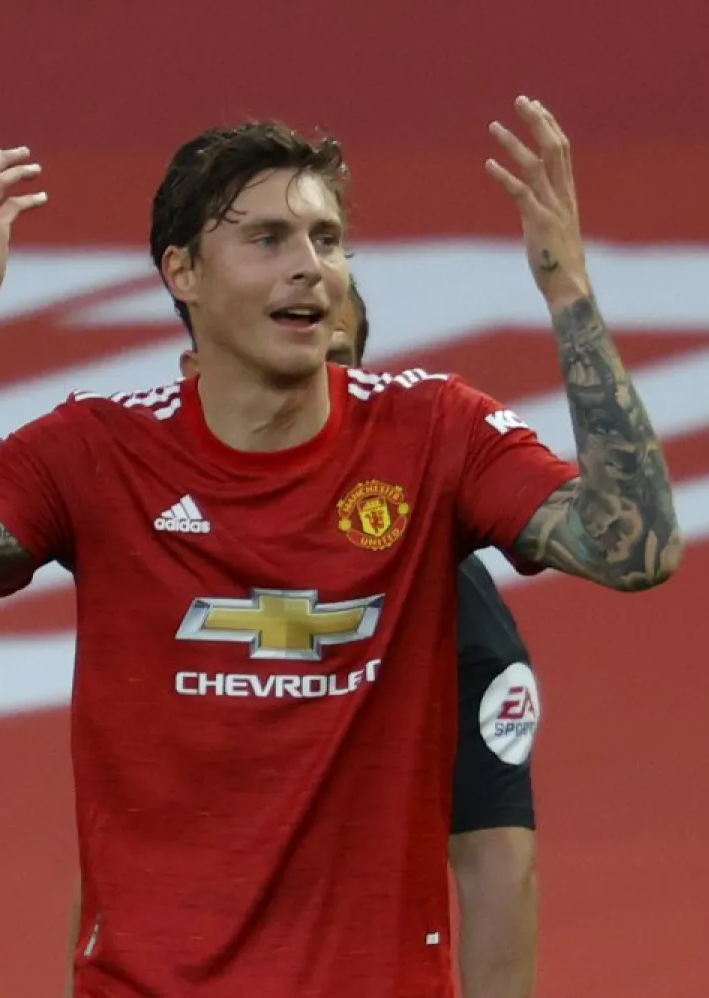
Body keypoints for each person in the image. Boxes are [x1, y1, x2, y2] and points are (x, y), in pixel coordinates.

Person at [0, 97, 682, 997]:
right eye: (268, 240)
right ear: (183, 272)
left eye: (328, 239)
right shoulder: (94, 452)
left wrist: (568, 290)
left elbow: (635, 550)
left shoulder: (435, 434)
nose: (310, 267)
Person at [176, 279, 545, 998]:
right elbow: (125, 854)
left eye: (336, 361)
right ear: (193, 375)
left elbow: (500, 866)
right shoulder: (163, 564)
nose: (310, 382)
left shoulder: (451, 610)